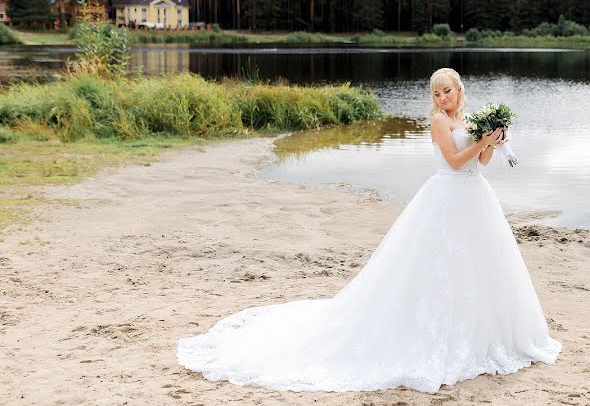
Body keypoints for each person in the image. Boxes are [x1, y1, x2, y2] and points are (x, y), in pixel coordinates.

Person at [176, 67, 561, 394]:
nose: (442, 97)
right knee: (434, 266)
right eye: (436, 92)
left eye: (447, 91)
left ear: (460, 91)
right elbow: (454, 161)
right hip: (446, 197)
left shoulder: (468, 119)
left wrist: (492, 141)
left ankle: (479, 336)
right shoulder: (439, 121)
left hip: (476, 200)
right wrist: (480, 141)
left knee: (477, 267)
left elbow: (480, 162)